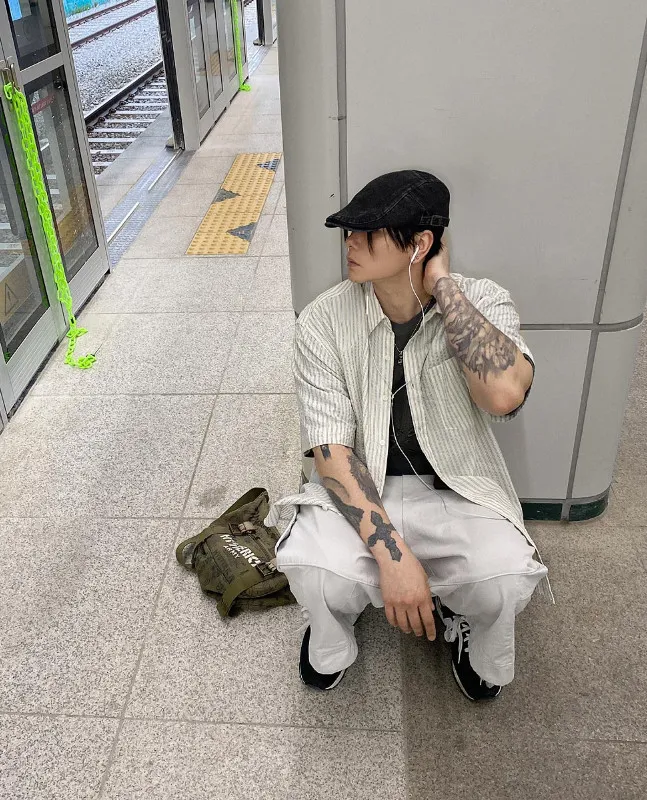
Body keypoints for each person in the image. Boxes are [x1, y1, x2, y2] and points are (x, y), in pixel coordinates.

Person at [265, 170, 552, 702]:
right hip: (363, 488)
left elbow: (505, 395)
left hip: (452, 490)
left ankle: (467, 632)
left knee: (506, 577)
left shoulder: (480, 301)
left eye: (365, 233)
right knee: (311, 565)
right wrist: (394, 557)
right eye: (348, 231)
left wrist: (443, 287)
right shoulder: (324, 322)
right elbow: (332, 453)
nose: (349, 244)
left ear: (420, 243)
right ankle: (331, 642)